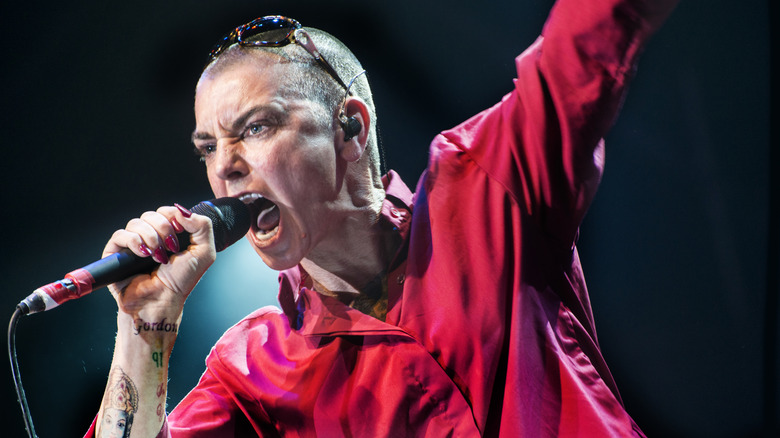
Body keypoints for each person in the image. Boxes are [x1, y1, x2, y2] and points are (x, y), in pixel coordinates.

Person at [85, 0, 678, 436]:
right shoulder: (250, 371)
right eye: (208, 149)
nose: (225, 168)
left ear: (350, 129)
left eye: (256, 127)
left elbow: (587, 39)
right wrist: (144, 325)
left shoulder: (483, 188)